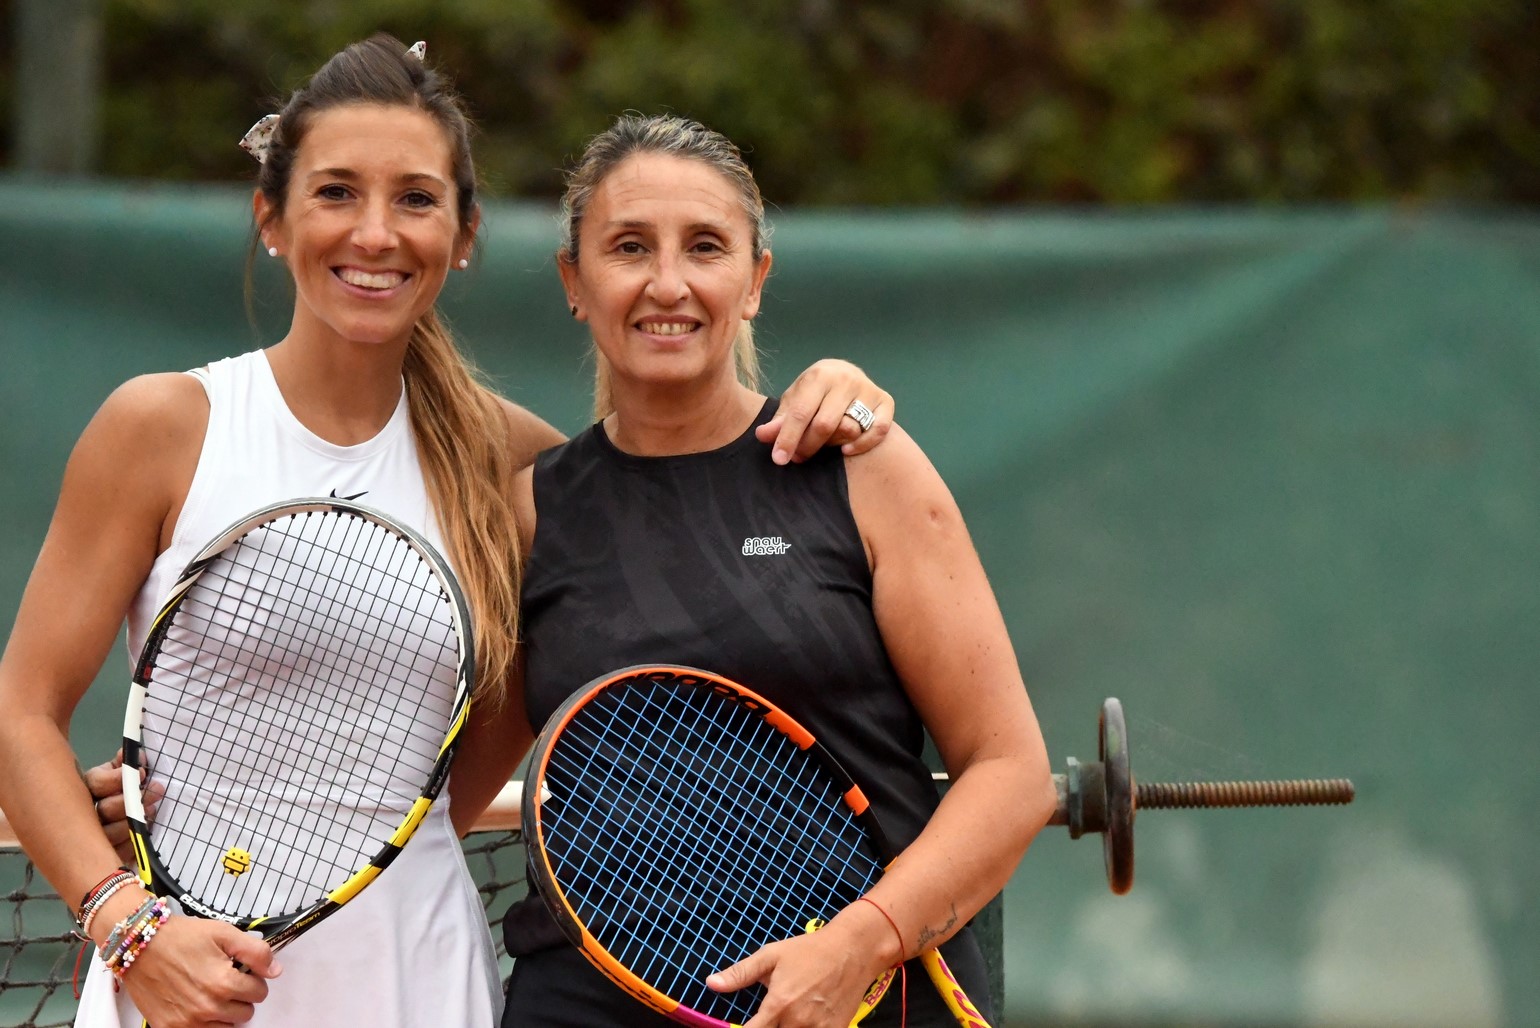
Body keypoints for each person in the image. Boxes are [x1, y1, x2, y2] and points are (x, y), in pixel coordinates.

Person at [0, 37, 896, 1028]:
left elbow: (685, 489)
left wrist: (837, 392)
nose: (375, 232)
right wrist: (129, 923)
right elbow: (19, 713)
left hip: (421, 973)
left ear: (463, 234)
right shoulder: (161, 427)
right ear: (271, 218)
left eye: (417, 199)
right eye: (336, 192)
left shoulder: (517, 465)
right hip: (174, 973)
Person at [471, 113, 1059, 1028]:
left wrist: (859, 944)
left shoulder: (862, 466)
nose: (668, 283)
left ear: (755, 281)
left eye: (706, 247)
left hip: (865, 998)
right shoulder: (528, 514)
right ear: (573, 282)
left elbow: (1012, 774)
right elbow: (439, 798)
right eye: (629, 247)